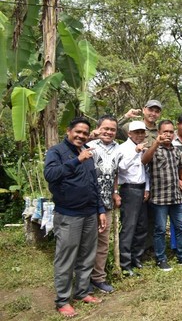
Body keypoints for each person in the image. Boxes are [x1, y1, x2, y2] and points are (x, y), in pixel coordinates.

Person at [44, 117, 107, 317]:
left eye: (84, 133)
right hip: (68, 214)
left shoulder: (86, 151)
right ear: (69, 131)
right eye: (77, 132)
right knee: (66, 259)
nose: (80, 136)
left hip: (89, 213)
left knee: (87, 256)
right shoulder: (57, 152)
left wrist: (100, 209)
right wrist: (76, 161)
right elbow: (51, 174)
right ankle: (62, 300)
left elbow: (93, 183)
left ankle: (82, 292)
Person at [141, 120, 182, 271]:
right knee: (160, 230)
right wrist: (155, 144)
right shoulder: (153, 149)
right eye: (165, 132)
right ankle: (161, 259)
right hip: (159, 198)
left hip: (176, 197)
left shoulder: (176, 151)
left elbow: (181, 171)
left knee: (181, 227)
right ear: (159, 133)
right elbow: (144, 160)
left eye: (171, 132)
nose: (168, 134)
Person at [86, 116, 122, 294]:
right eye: (105, 128)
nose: (108, 132)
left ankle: (98, 278)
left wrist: (115, 192)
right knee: (85, 242)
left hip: (107, 202)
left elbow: (115, 173)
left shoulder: (118, 149)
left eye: (112, 129)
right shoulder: (88, 145)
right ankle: (82, 280)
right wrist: (89, 137)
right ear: (98, 128)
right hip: (88, 202)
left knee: (102, 243)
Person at [117, 120, 150, 277]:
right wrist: (136, 152)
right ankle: (125, 263)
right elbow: (121, 168)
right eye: (137, 132)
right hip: (129, 189)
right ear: (129, 134)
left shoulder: (145, 148)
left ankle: (137, 257)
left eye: (142, 132)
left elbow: (146, 169)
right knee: (129, 226)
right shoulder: (123, 148)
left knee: (142, 226)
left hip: (142, 189)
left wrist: (147, 188)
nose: (140, 135)